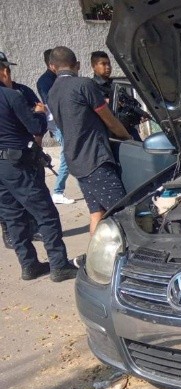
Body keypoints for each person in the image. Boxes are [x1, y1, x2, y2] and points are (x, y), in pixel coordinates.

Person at [0, 51, 78, 282]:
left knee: (13, 217)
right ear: (4, 72)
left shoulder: (14, 94)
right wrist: (41, 113)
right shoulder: (11, 96)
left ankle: (29, 265)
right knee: (46, 214)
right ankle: (59, 265)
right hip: (18, 164)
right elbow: (36, 127)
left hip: (3, 168)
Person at [48, 46, 131, 236]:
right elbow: (109, 119)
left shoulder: (52, 91)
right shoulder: (84, 85)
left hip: (76, 161)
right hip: (95, 160)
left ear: (53, 67)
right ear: (77, 65)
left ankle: (94, 252)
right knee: (123, 214)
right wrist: (127, 137)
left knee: (97, 213)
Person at [37, 48, 74, 205]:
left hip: (64, 121)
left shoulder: (59, 78)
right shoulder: (45, 81)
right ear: (51, 65)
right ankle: (58, 191)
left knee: (70, 153)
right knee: (67, 154)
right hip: (57, 123)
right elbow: (51, 103)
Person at [90, 50, 142, 141]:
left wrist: (139, 114)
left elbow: (128, 103)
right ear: (94, 66)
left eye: (109, 64)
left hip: (128, 128)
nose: (108, 67)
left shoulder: (115, 84)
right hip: (111, 134)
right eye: (103, 64)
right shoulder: (92, 86)